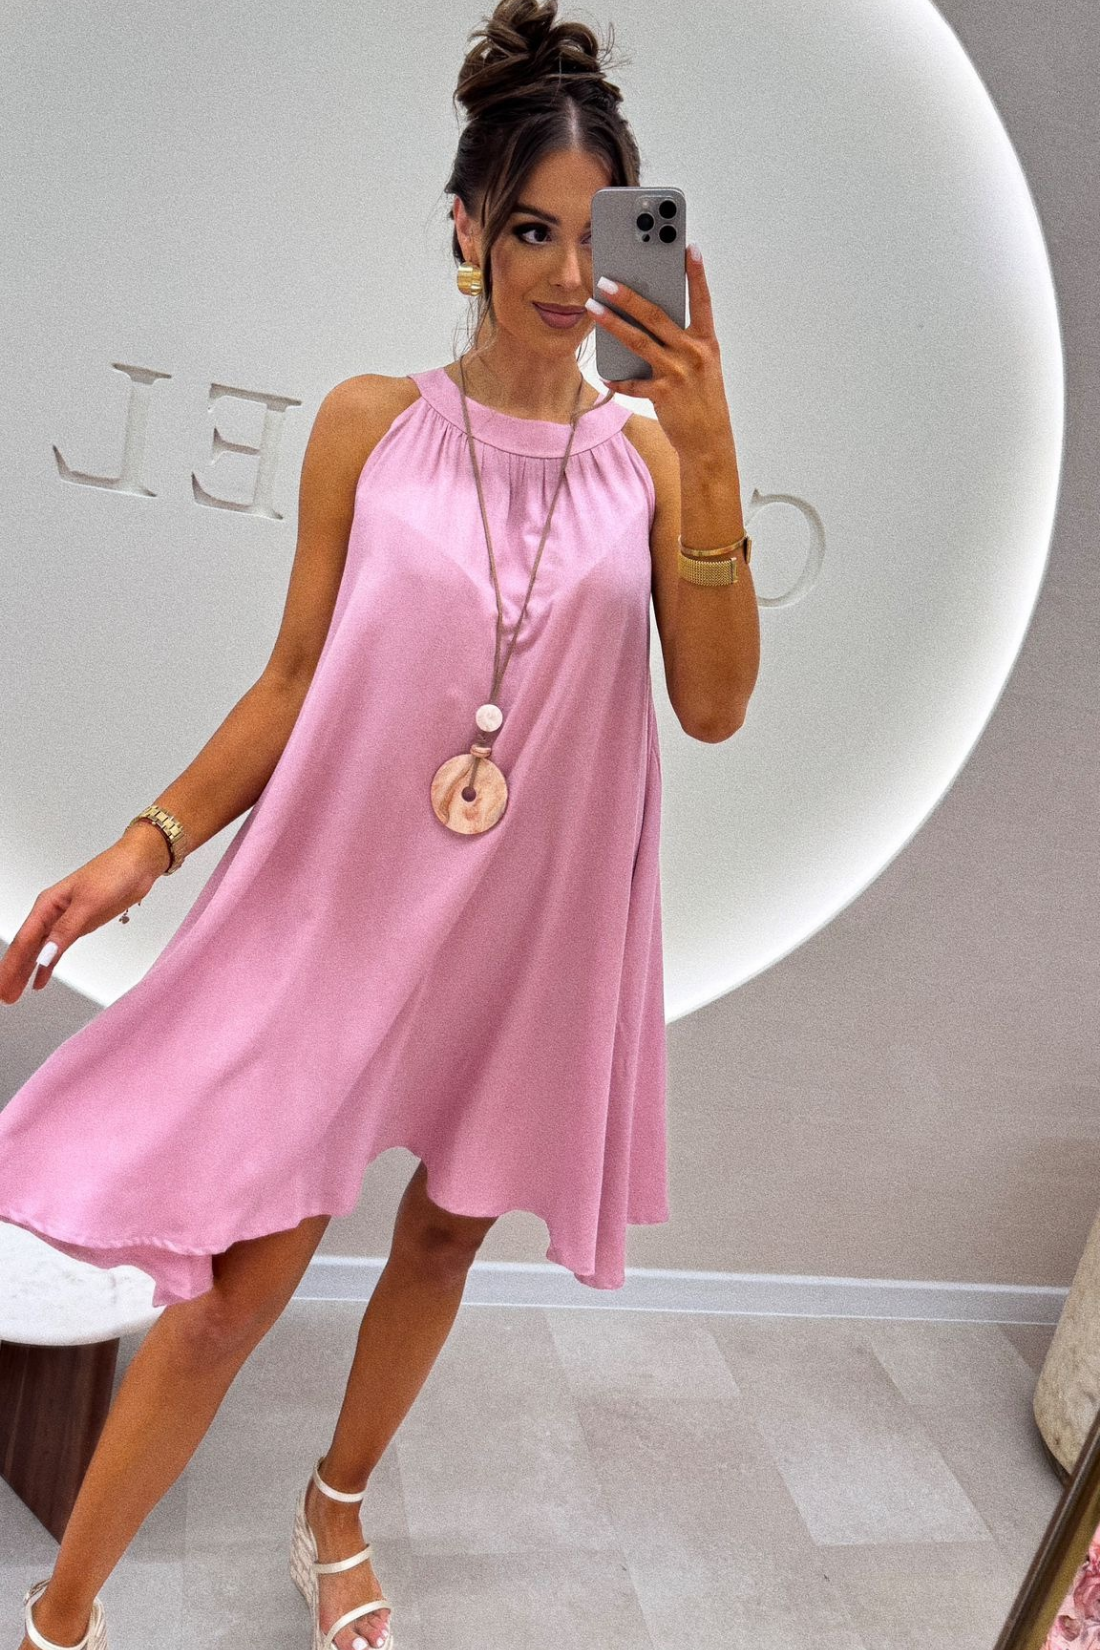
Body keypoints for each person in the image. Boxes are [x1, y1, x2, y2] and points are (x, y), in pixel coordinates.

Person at [1, 3, 759, 1648]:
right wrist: (142, 845)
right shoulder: (369, 423)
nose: (569, 273)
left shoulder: (653, 459)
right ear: (469, 228)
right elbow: (291, 682)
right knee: (227, 1302)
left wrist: (712, 458)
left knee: (445, 1228)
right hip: (345, 914)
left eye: (599, 236)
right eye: (534, 230)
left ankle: (335, 1506)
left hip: (531, 923)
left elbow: (713, 704)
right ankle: (62, 1616)